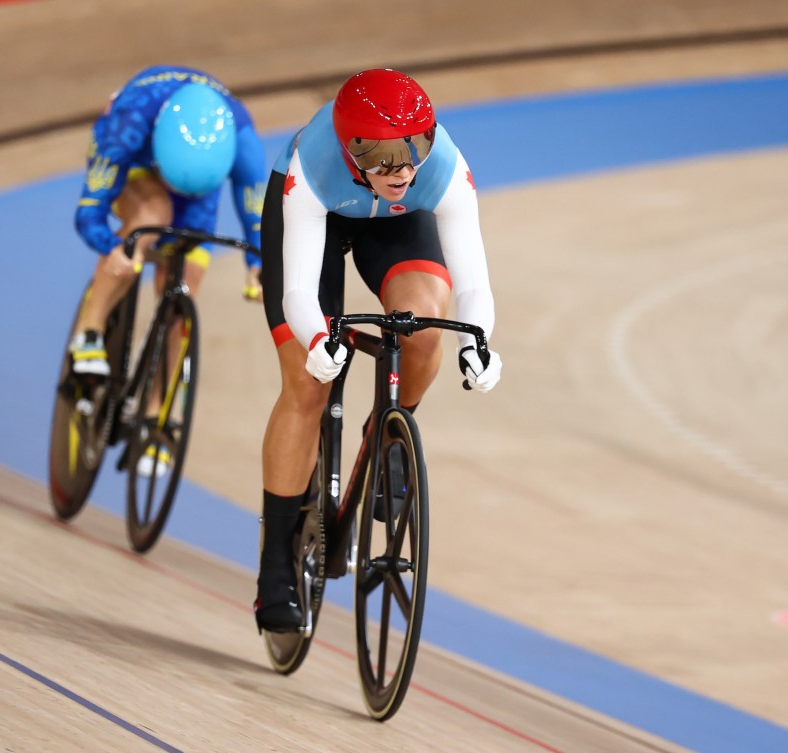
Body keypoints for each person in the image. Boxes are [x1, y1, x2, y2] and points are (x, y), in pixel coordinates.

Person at [254, 68, 503, 632]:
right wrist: (317, 338)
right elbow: (298, 289)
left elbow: (472, 285)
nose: (402, 169)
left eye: (414, 148)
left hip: (392, 226)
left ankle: (390, 431)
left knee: (425, 324)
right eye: (384, 157)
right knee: (307, 384)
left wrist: (480, 340)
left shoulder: (441, 169)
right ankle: (274, 570)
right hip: (316, 224)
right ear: (350, 150)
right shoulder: (310, 167)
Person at [70, 65, 267, 381]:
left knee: (184, 290)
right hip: (138, 165)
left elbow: (255, 210)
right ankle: (89, 330)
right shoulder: (126, 127)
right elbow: (88, 215)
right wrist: (113, 247)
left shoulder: (241, 138)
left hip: (198, 184)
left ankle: (152, 416)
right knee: (154, 215)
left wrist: (257, 263)